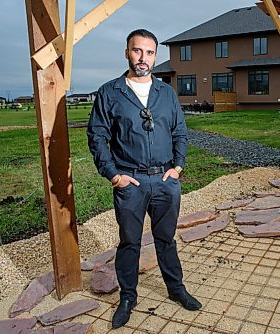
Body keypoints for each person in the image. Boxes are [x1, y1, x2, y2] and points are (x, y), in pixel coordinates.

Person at [87, 28, 202, 329]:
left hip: (164, 182)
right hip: (131, 184)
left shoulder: (166, 93)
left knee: (166, 239)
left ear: (155, 56)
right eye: (137, 51)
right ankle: (128, 298)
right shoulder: (110, 93)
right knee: (130, 242)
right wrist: (113, 176)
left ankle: (176, 290)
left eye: (149, 52)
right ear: (127, 52)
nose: (143, 58)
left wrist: (177, 168)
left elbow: (180, 132)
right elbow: (97, 137)